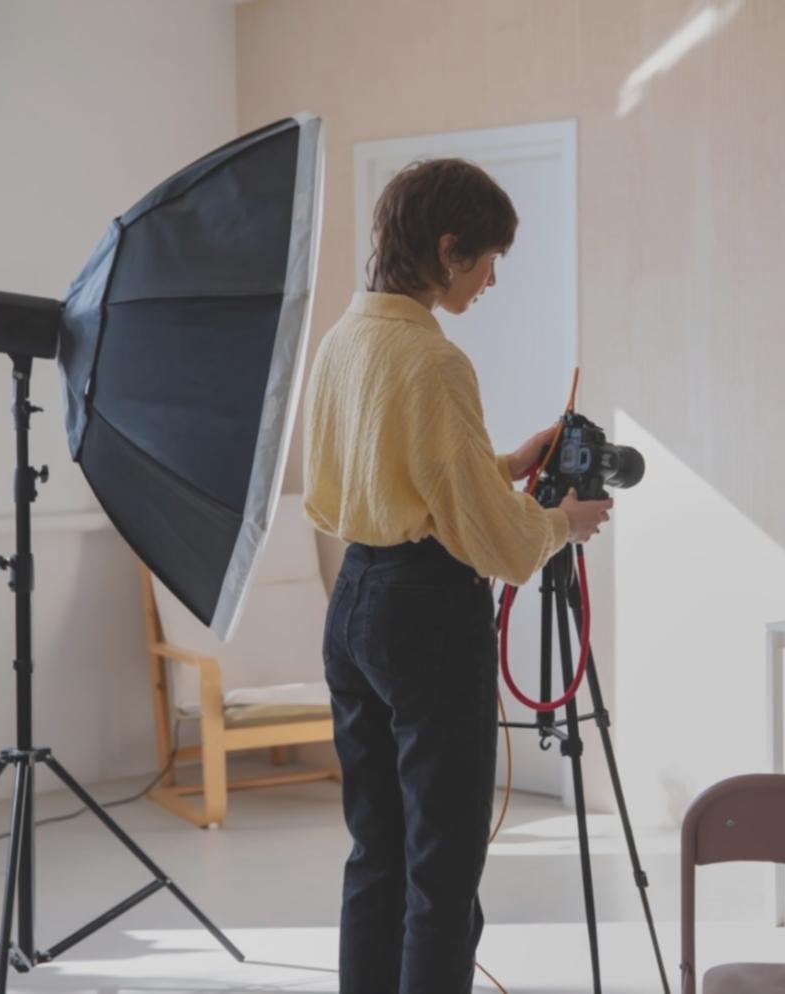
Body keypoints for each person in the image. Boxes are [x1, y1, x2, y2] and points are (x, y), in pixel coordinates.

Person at [302, 157, 611, 993]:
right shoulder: (436, 362)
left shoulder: (343, 339)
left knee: (377, 856)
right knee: (442, 877)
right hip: (427, 618)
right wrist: (565, 523)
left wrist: (503, 464)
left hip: (354, 603)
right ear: (448, 249)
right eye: (488, 259)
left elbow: (386, 480)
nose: (492, 279)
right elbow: (494, 541)